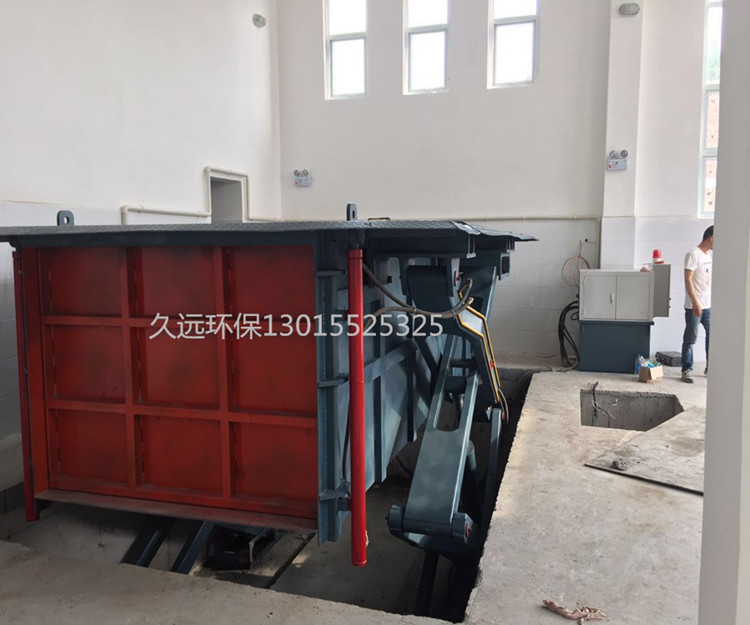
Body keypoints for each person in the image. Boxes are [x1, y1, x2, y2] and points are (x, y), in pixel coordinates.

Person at [681, 225, 713, 383]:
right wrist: (695, 302)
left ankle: (710, 367)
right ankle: (687, 369)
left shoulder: (708, 255)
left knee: (712, 336)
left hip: (707, 305)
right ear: (711, 238)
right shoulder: (693, 254)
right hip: (694, 306)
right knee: (691, 338)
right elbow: (688, 279)